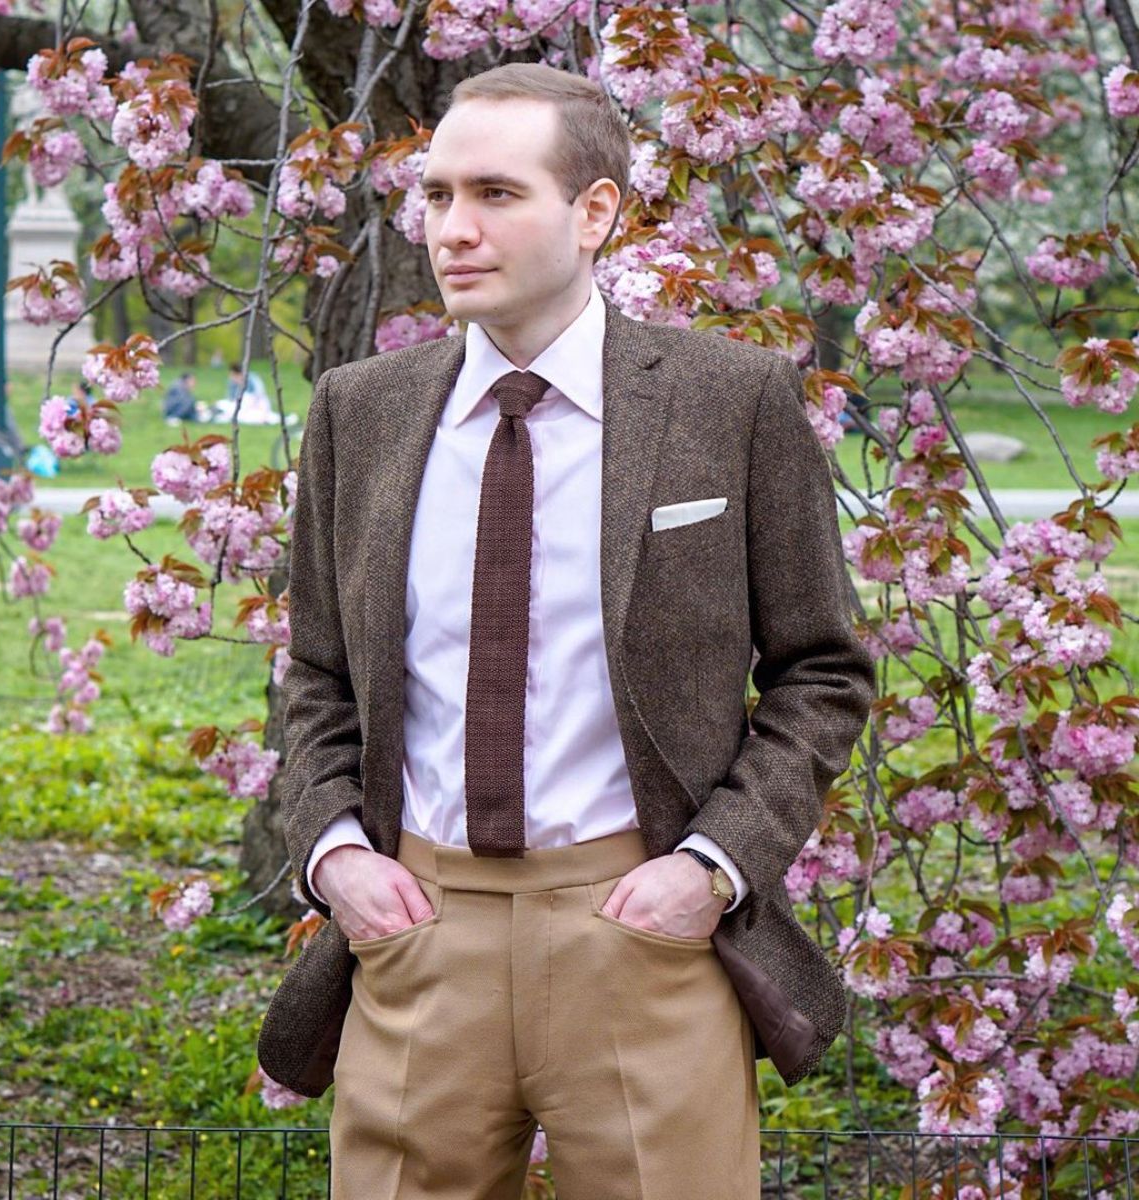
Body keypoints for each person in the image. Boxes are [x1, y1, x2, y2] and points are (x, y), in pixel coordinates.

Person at [257, 62, 875, 1200]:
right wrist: (336, 854)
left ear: (596, 213)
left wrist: (713, 867)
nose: (453, 228)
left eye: (496, 194)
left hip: (642, 936)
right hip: (418, 936)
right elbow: (318, 671)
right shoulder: (362, 411)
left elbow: (821, 670)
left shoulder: (729, 401)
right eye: (437, 195)